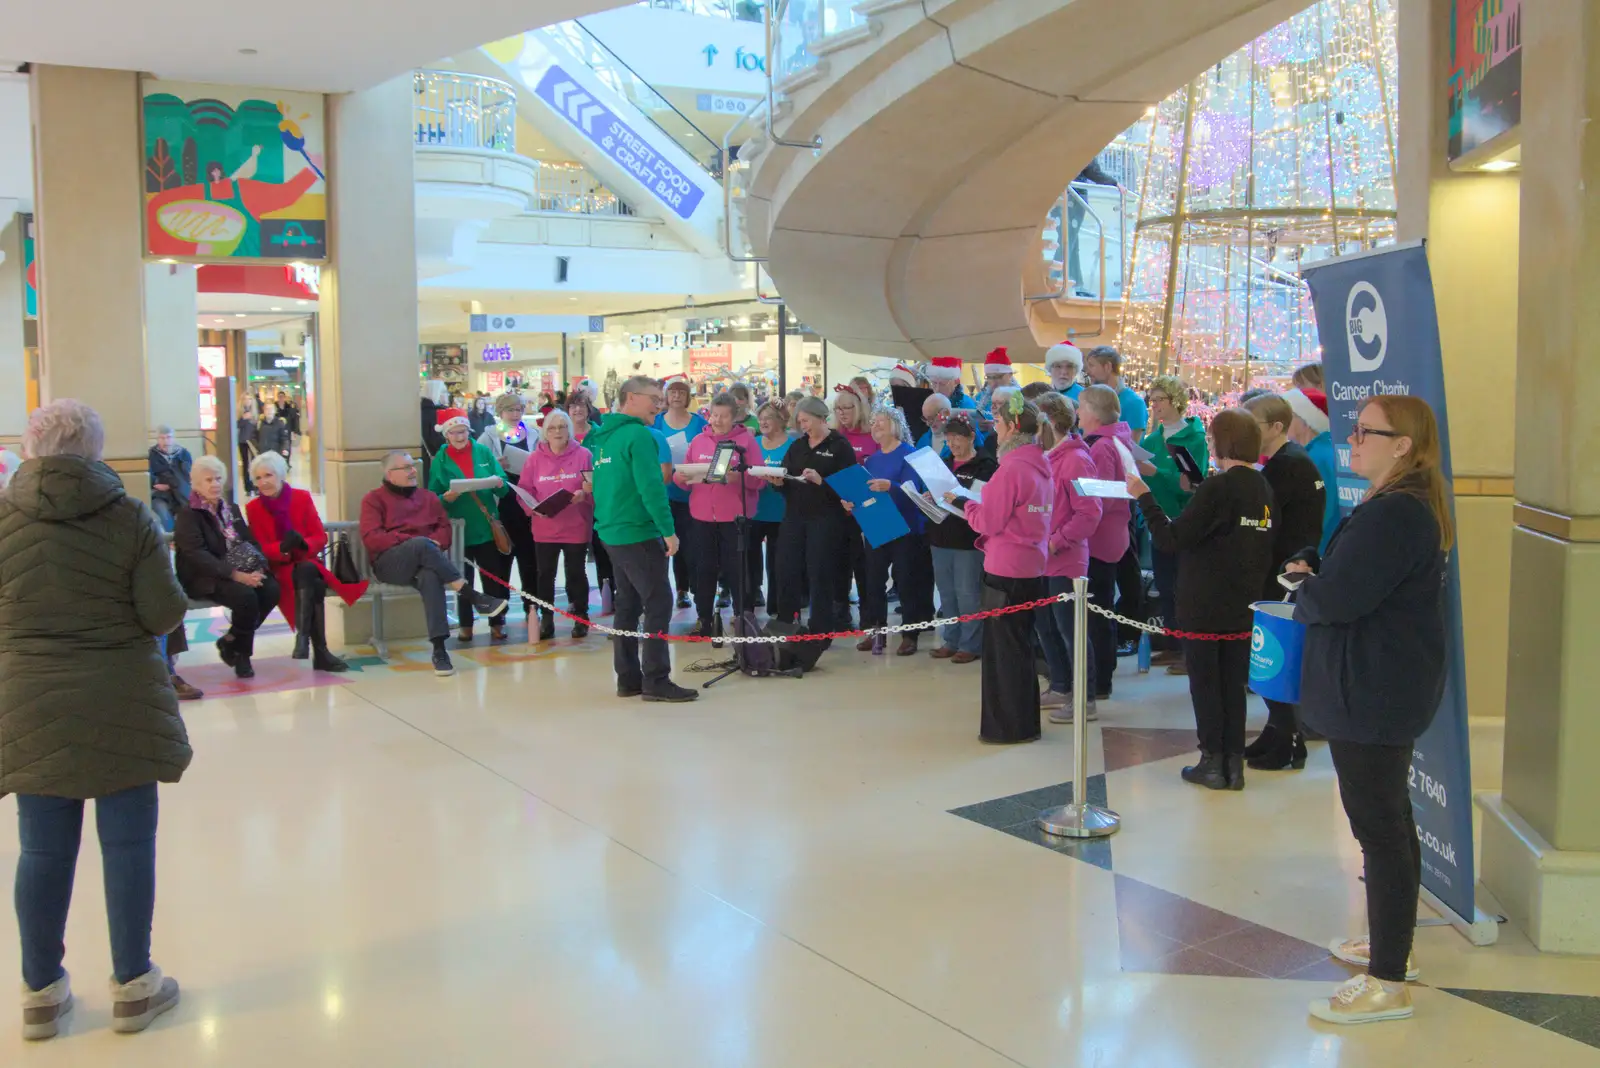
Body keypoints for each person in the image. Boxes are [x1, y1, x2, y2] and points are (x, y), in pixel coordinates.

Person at [1, 401, 191, 1040]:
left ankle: (40, 994)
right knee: (129, 845)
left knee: (41, 849)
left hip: (32, 700)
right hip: (122, 698)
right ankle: (134, 986)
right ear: (96, 449)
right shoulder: (130, 514)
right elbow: (163, 613)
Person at [1291, 396, 1450, 1026]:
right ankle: (1393, 947)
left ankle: (1388, 979)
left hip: (1374, 689)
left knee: (1380, 831)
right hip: (1379, 684)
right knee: (1388, 824)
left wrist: (1306, 588)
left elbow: (1341, 599)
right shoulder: (1397, 508)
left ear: (1403, 445)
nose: (1351, 443)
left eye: (1365, 433)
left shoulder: (1396, 514)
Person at [1129, 409, 1274, 791]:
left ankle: (1212, 761)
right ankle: (1233, 764)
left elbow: (1171, 539)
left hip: (1206, 603)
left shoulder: (1218, 488)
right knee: (1233, 686)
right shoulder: (1260, 486)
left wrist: (1145, 498)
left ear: (1221, 443)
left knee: (1207, 685)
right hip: (1243, 602)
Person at [943, 394, 1050, 743]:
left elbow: (989, 520)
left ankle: (1007, 726)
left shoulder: (1012, 469)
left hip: (1006, 567)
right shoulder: (1040, 464)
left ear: (1014, 428)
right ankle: (1023, 722)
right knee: (1020, 649)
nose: (996, 432)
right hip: (1032, 564)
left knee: (1004, 653)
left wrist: (965, 505)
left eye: (1000, 425)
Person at [587, 376, 698, 702]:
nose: (659, 405)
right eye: (653, 398)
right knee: (659, 601)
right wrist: (669, 531)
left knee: (628, 604)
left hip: (611, 531)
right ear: (631, 398)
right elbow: (651, 489)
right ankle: (656, 679)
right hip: (636, 531)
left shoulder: (603, 437)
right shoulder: (638, 435)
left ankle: (628, 679)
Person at [361, 452, 505, 676]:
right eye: (407, 467)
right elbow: (372, 538)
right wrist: (413, 542)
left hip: (427, 561)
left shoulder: (428, 498)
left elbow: (444, 529)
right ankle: (473, 595)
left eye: (413, 466)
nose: (413, 471)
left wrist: (432, 543)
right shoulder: (374, 499)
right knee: (420, 544)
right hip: (390, 564)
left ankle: (440, 650)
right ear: (390, 474)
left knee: (430, 575)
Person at [1241, 393, 1326, 771]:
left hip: (1284, 574)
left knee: (1276, 658)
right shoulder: (1284, 462)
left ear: (1276, 427)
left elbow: (1265, 521)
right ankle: (1278, 732)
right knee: (1269, 660)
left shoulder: (1288, 466)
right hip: (1282, 568)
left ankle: (1289, 739)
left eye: (1251, 424)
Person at [243, 451, 367, 673]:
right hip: (279, 569)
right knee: (314, 581)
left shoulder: (301, 498)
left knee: (308, 570)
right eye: (258, 478)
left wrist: (302, 544)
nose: (264, 482)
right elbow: (259, 547)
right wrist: (281, 549)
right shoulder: (253, 508)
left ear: (281, 475)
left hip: (306, 562)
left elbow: (319, 536)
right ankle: (319, 652)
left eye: (268, 475)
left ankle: (304, 639)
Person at [173, 455, 277, 680]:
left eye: (218, 479)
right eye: (208, 480)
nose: (215, 484)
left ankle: (230, 640)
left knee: (271, 589)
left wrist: (258, 568)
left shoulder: (231, 509)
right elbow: (196, 555)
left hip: (237, 570)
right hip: (203, 576)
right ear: (197, 485)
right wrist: (236, 575)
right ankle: (243, 655)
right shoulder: (188, 515)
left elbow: (249, 541)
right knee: (246, 597)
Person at [1033, 393, 1103, 718]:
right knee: (1045, 626)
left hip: (1066, 558)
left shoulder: (1077, 459)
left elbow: (1089, 513)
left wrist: (1056, 541)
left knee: (1072, 630)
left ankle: (1085, 698)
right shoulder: (1045, 456)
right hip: (1042, 559)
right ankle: (1060, 685)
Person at [768, 396, 858, 635]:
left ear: (821, 417)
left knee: (820, 572)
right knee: (786, 567)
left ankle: (821, 629)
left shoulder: (840, 446)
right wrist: (777, 482)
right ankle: (786, 624)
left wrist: (822, 482)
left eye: (806, 420)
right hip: (795, 516)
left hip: (826, 519)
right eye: (799, 422)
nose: (803, 426)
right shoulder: (797, 446)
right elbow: (786, 478)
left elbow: (851, 491)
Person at [675, 393, 761, 638]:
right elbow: (686, 478)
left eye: (724, 416)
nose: (718, 420)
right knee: (703, 569)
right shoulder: (699, 440)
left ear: (734, 417)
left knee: (738, 571)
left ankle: (743, 619)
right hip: (701, 517)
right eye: (714, 415)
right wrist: (681, 478)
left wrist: (737, 477)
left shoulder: (746, 442)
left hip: (735, 518)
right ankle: (703, 619)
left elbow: (758, 481)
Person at [1139, 373, 1209, 675]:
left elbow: (1193, 484)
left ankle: (1188, 651)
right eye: (1151, 400)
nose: (1154, 406)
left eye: (1159, 400)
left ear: (1176, 401)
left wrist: (1156, 472)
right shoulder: (1151, 440)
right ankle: (1171, 644)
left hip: (1184, 519)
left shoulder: (1194, 438)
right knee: (1165, 585)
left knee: (1185, 587)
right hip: (1157, 519)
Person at [428, 407, 511, 643]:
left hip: (485, 526)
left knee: (492, 578)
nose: (460, 437)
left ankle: (497, 622)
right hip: (458, 529)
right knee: (463, 580)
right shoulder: (440, 460)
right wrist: (445, 498)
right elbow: (431, 497)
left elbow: (503, 485)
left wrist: (497, 483)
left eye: (463, 431)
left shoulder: (483, 452)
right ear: (446, 435)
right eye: (454, 433)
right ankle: (466, 624)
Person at [859, 407, 934, 655]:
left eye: (881, 421)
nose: (876, 425)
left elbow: (913, 491)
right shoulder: (872, 460)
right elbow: (867, 492)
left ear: (896, 425)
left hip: (906, 526)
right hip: (878, 523)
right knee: (873, 581)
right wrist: (852, 500)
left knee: (906, 581)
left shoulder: (910, 454)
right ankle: (876, 630)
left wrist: (890, 486)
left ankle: (910, 634)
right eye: (873, 422)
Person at [1077, 384, 1136, 700]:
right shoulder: (1117, 439)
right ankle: (1103, 674)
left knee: (1098, 611)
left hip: (1100, 538)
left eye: (1080, 406)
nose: (1076, 412)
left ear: (1093, 413)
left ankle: (1100, 678)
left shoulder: (1101, 446)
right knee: (1103, 607)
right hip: (1113, 534)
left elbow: (1099, 497)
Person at [927, 412, 996, 663]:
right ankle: (951, 640)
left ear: (971, 438)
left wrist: (957, 499)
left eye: (958, 437)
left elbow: (982, 502)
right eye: (949, 437)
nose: (953, 443)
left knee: (968, 594)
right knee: (946, 594)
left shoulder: (986, 466)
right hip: (940, 536)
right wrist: (929, 498)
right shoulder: (943, 464)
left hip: (968, 540)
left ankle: (970, 644)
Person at [519, 410, 594, 641]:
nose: (557, 432)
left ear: (570, 429)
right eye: (552, 428)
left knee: (575, 573)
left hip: (576, 524)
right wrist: (533, 509)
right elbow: (523, 491)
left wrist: (584, 493)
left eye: (562, 427)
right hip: (545, 527)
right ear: (545, 432)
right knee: (545, 575)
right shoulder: (534, 458)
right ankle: (547, 618)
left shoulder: (583, 454)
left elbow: (594, 486)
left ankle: (581, 616)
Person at [478, 392, 540, 629]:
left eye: (518, 410)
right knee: (501, 560)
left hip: (527, 503)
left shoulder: (533, 434)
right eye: (510, 410)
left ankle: (532, 608)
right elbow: (480, 470)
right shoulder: (488, 438)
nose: (515, 415)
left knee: (529, 560)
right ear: (500, 412)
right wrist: (496, 466)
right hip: (502, 504)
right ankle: (498, 614)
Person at [655, 374, 707, 610]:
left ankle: (691, 589)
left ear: (688, 397)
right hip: (663, 492)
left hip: (692, 492)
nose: (676, 395)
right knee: (666, 544)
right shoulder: (656, 422)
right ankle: (674, 590)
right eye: (672, 391)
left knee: (691, 544)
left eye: (681, 392)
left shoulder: (698, 422)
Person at [1285, 387, 1340, 552]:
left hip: (1317, 550)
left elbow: (1320, 511)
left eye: (1289, 416)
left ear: (1305, 421)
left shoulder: (1315, 458)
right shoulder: (1323, 450)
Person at [751, 401, 792, 607]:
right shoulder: (754, 443)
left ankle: (778, 607)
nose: (763, 422)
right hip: (755, 511)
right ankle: (748, 606)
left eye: (768, 417)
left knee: (779, 563)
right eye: (761, 418)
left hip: (782, 512)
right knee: (749, 561)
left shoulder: (792, 444)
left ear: (780, 420)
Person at [1085, 346, 1148, 436]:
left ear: (1107, 367)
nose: (1088, 371)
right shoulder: (1093, 401)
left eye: (1092, 365)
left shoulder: (1134, 403)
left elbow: (1131, 446)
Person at [146, 425, 192, 533]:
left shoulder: (183, 454)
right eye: (162, 438)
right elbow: (148, 476)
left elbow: (187, 475)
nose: (166, 441)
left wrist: (170, 485)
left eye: (169, 437)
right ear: (157, 439)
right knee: (163, 512)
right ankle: (171, 538)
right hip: (160, 495)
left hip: (181, 493)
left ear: (173, 438)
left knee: (188, 513)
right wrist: (156, 482)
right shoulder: (151, 455)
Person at [973, 347, 1018, 416]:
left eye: (998, 377)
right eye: (989, 377)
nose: (993, 382)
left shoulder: (1020, 399)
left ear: (1010, 375)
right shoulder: (979, 398)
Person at [420, 380, 449, 484]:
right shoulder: (436, 413)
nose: (447, 395)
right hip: (438, 460)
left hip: (425, 460)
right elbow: (436, 440)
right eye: (444, 392)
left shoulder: (420, 412)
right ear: (436, 393)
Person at [236, 398, 260, 495]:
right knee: (246, 464)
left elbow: (257, 428)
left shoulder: (255, 413)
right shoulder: (239, 413)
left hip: (253, 441)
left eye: (250, 399)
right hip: (243, 441)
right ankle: (248, 487)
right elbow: (236, 425)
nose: (248, 401)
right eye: (246, 399)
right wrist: (243, 418)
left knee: (255, 464)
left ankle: (256, 485)